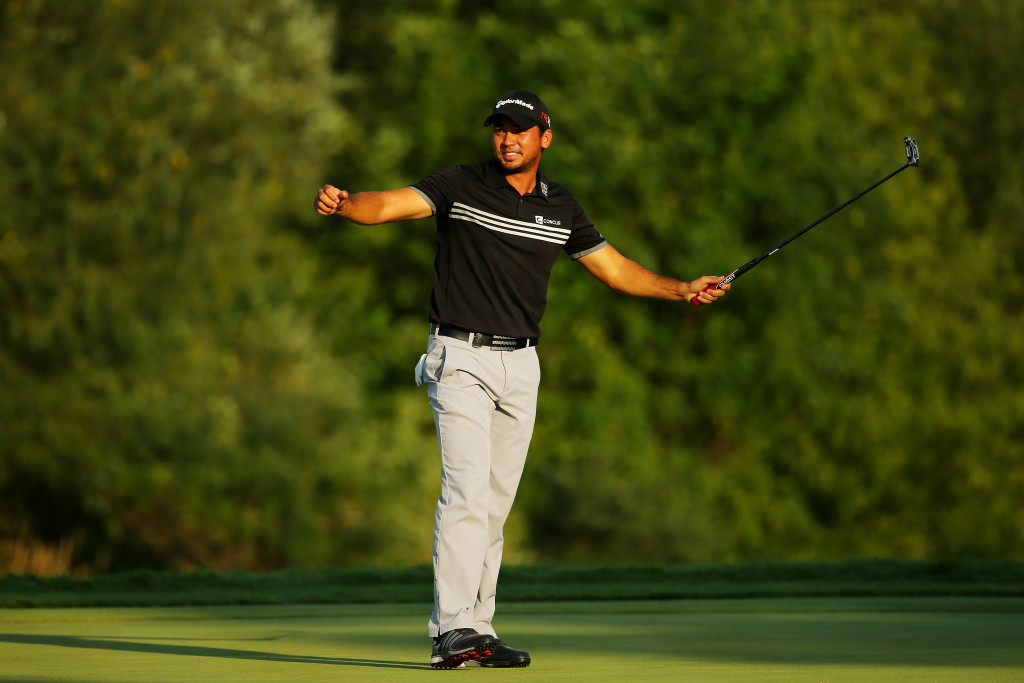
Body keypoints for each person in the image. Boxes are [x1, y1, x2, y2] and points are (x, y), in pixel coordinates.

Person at [314, 90, 729, 669]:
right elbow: (388, 205)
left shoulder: (561, 207)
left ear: (545, 137)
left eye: (520, 130)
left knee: (494, 504)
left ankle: (477, 629)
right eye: (500, 129)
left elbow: (614, 269)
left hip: (522, 366)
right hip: (460, 356)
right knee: (464, 493)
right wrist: (346, 203)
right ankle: (451, 628)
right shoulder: (460, 185)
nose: (507, 139)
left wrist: (682, 288)